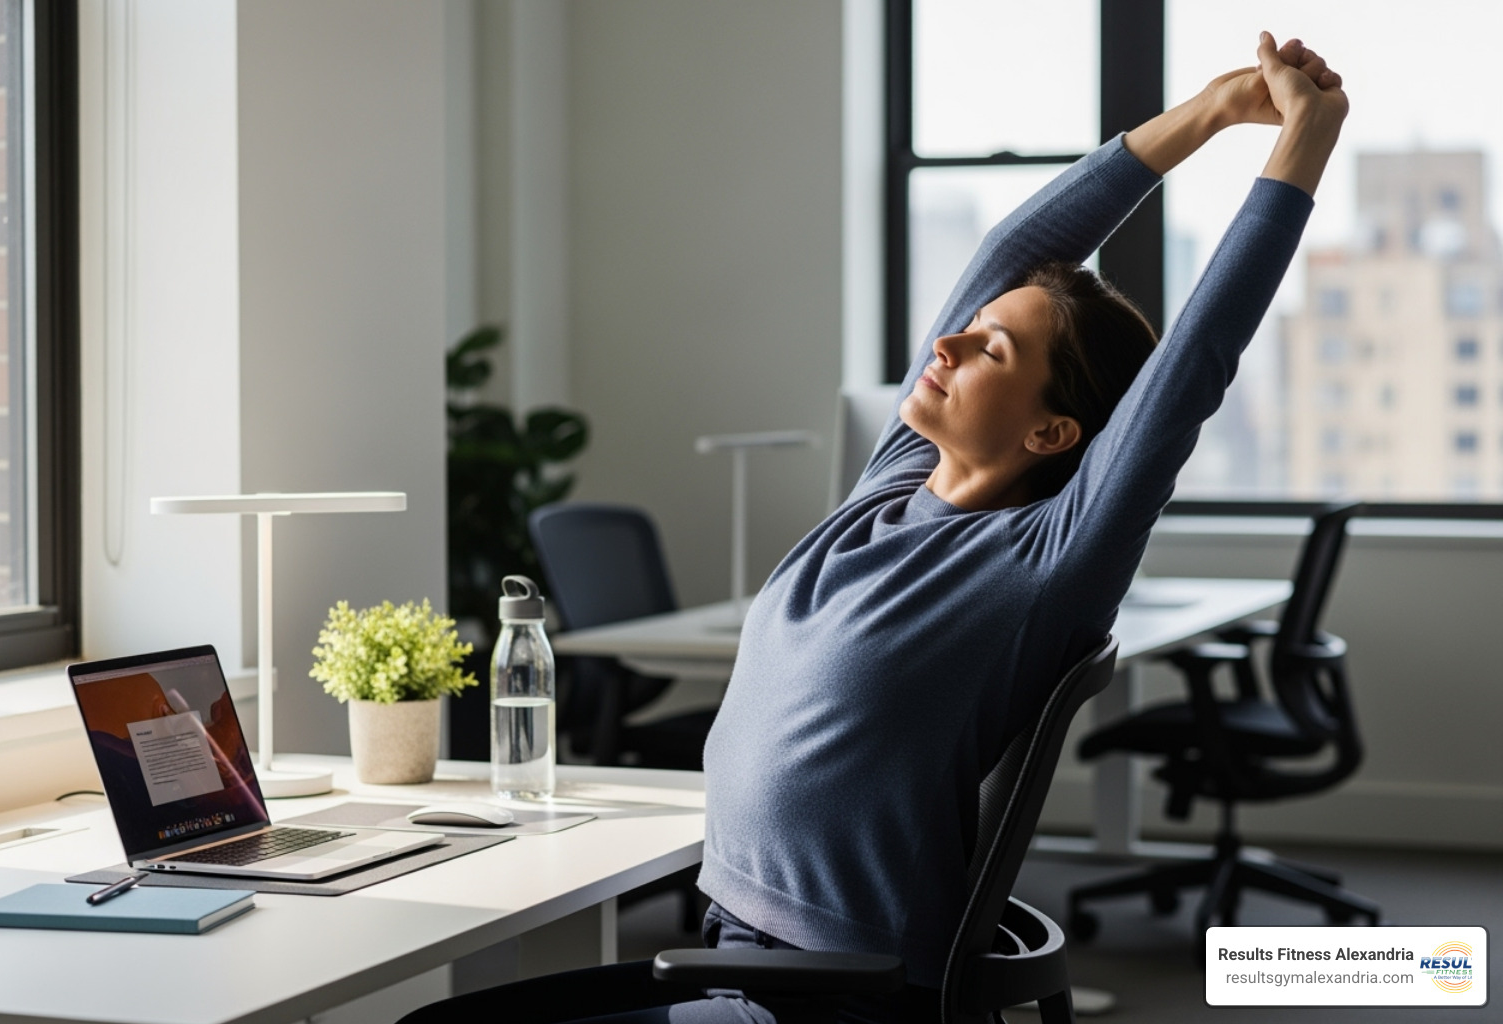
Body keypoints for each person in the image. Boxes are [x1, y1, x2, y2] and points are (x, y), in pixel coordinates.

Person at [402, 31, 1347, 1024]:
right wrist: (1206, 113)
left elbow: (1190, 363)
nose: (944, 342)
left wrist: (1301, 147)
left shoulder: (1042, 560)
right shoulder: (894, 483)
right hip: (735, 955)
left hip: (828, 998)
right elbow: (1009, 255)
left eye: (987, 348)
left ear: (1053, 429)